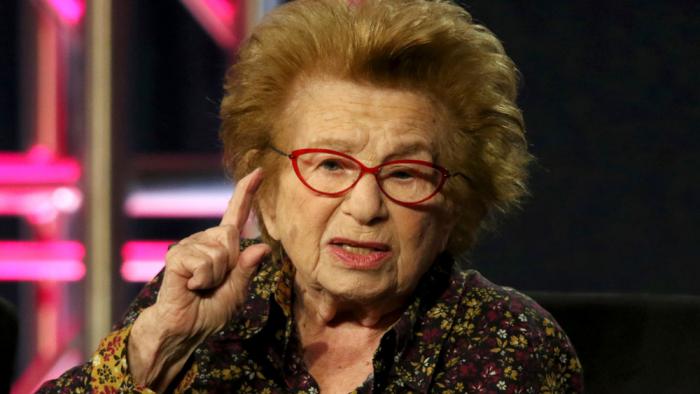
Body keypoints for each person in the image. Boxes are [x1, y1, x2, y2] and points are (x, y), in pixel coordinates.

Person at [40, 0, 582, 392]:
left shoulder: (504, 343)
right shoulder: (199, 305)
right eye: (329, 165)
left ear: (456, 205)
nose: (365, 207)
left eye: (406, 174)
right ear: (265, 191)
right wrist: (154, 351)